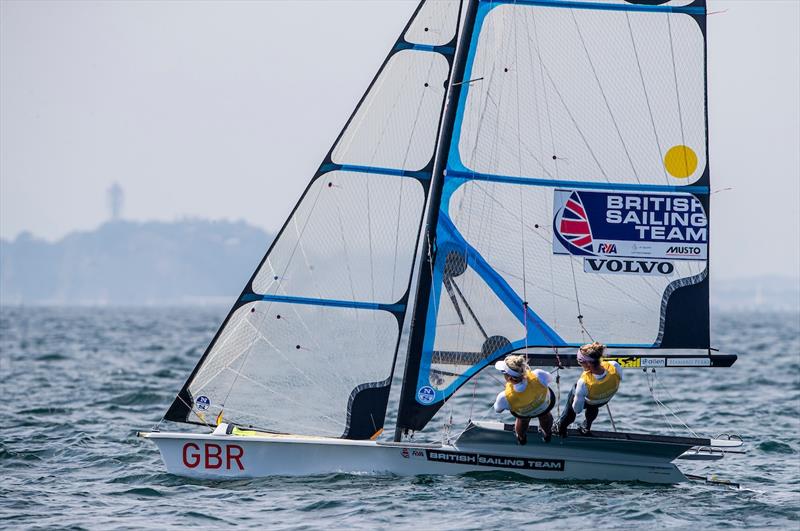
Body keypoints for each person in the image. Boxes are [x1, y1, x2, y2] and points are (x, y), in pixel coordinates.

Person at [557, 342, 623, 438]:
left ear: (588, 363)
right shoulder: (614, 365)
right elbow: (620, 378)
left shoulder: (584, 382)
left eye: (580, 361)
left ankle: (561, 428)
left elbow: (577, 410)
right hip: (604, 400)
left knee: (574, 391)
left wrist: (579, 394)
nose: (579, 364)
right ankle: (586, 426)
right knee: (593, 403)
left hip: (592, 400)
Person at [493, 354, 556, 445]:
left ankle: (521, 438)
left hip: (524, 413)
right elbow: (550, 378)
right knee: (544, 415)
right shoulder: (538, 374)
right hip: (544, 405)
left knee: (522, 419)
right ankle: (547, 434)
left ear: (509, 378)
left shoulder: (504, 396)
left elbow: (497, 410)